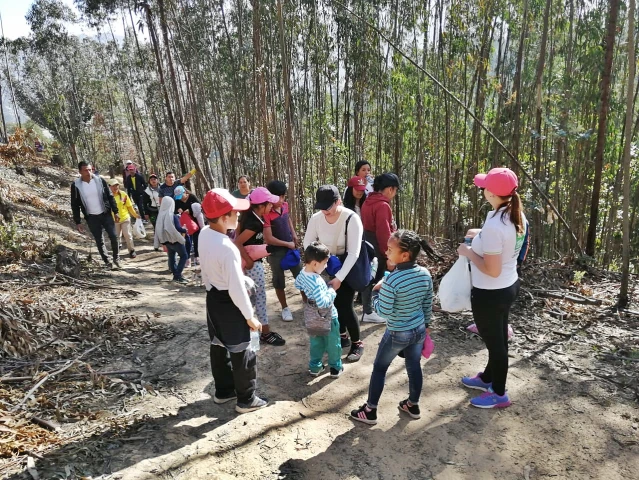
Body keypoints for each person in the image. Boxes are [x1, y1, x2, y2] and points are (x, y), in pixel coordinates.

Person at [457, 167, 526, 409]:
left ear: (492, 193)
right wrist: (479, 237)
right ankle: (488, 377)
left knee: (496, 344)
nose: (482, 188)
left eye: (485, 185)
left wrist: (468, 252)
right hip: (508, 285)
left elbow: (492, 268)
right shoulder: (513, 214)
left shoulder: (497, 225)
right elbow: (509, 248)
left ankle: (499, 393)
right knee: (497, 338)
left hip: (491, 292)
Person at [350, 230, 433, 425]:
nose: (386, 252)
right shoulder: (425, 273)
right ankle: (413, 404)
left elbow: (384, 311)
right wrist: (426, 325)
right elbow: (427, 302)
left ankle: (370, 410)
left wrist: (377, 291)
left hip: (397, 333)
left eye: (390, 249)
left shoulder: (392, 280)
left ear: (405, 255)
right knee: (414, 366)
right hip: (418, 330)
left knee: (379, 368)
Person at [199, 188, 268, 413]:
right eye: (234, 213)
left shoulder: (204, 234)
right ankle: (246, 399)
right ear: (222, 217)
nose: (238, 216)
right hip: (230, 302)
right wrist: (250, 317)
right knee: (242, 349)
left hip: (213, 298)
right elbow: (237, 288)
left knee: (218, 345)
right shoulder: (227, 247)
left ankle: (223, 390)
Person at [303, 185, 365, 362]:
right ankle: (342, 336)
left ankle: (357, 343)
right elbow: (308, 242)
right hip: (325, 264)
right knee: (332, 304)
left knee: (345, 304)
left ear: (338, 202)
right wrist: (316, 265)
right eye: (321, 207)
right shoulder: (316, 218)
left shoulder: (351, 219)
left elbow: (354, 253)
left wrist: (339, 278)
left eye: (328, 207)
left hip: (347, 264)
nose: (324, 211)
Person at [235, 187, 286, 346]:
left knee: (250, 297)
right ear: (261, 205)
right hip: (252, 264)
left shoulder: (251, 217)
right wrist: (248, 260)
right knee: (259, 297)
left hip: (250, 261)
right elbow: (238, 241)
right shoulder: (254, 222)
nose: (271, 206)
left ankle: (253, 329)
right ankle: (265, 332)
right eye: (269, 204)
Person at [295, 242, 343, 378]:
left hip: (311, 315)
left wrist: (310, 294)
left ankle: (315, 367)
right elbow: (323, 303)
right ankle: (335, 367)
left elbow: (297, 284)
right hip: (327, 317)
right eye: (325, 263)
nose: (326, 266)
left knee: (316, 342)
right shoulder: (317, 281)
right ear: (315, 263)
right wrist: (332, 291)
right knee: (333, 342)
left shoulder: (302, 273)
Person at [360, 173, 400, 324]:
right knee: (378, 279)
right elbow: (384, 233)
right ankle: (371, 311)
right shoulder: (383, 205)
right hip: (378, 245)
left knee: (369, 277)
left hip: (367, 243)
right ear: (390, 189)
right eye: (395, 190)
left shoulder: (367, 201)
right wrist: (389, 255)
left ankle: (368, 310)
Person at [264, 180, 303, 322]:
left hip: (290, 249)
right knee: (278, 280)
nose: (281, 200)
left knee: (301, 276)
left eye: (283, 196)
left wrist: (293, 233)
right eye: (278, 197)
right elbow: (268, 238)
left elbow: (288, 220)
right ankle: (285, 308)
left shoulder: (285, 206)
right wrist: (287, 244)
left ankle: (307, 305)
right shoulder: (266, 213)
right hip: (276, 252)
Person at [71, 161, 121, 270]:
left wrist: (115, 211)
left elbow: (110, 196)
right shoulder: (76, 185)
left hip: (105, 213)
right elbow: (75, 204)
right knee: (99, 240)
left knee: (113, 236)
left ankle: (116, 258)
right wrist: (78, 221)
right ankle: (107, 261)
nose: (88, 172)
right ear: (80, 172)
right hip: (91, 217)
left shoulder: (100, 180)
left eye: (90, 169)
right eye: (85, 170)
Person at [153, 196, 189, 285]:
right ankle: (177, 276)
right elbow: (177, 228)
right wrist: (185, 230)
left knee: (172, 257)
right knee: (184, 256)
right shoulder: (172, 216)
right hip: (175, 240)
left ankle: (175, 274)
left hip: (166, 242)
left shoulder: (160, 216)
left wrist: (162, 242)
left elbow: (158, 229)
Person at [108, 179, 140, 259]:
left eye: (116, 185)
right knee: (116, 237)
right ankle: (116, 253)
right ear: (109, 187)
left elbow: (129, 206)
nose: (115, 187)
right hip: (114, 220)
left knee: (128, 235)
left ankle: (132, 250)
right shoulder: (108, 196)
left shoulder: (123, 195)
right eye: (113, 186)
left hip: (125, 218)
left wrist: (135, 215)